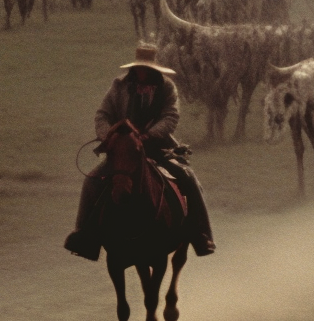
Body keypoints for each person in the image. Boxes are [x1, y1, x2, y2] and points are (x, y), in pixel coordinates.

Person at [64, 45, 216, 260]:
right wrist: (110, 136)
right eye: (139, 68)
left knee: (188, 178)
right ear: (135, 68)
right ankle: (84, 237)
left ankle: (201, 234)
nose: (141, 72)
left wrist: (149, 135)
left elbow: (170, 117)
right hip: (124, 150)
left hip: (155, 147)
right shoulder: (119, 86)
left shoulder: (166, 88)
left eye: (145, 68)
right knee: (91, 182)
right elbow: (102, 115)